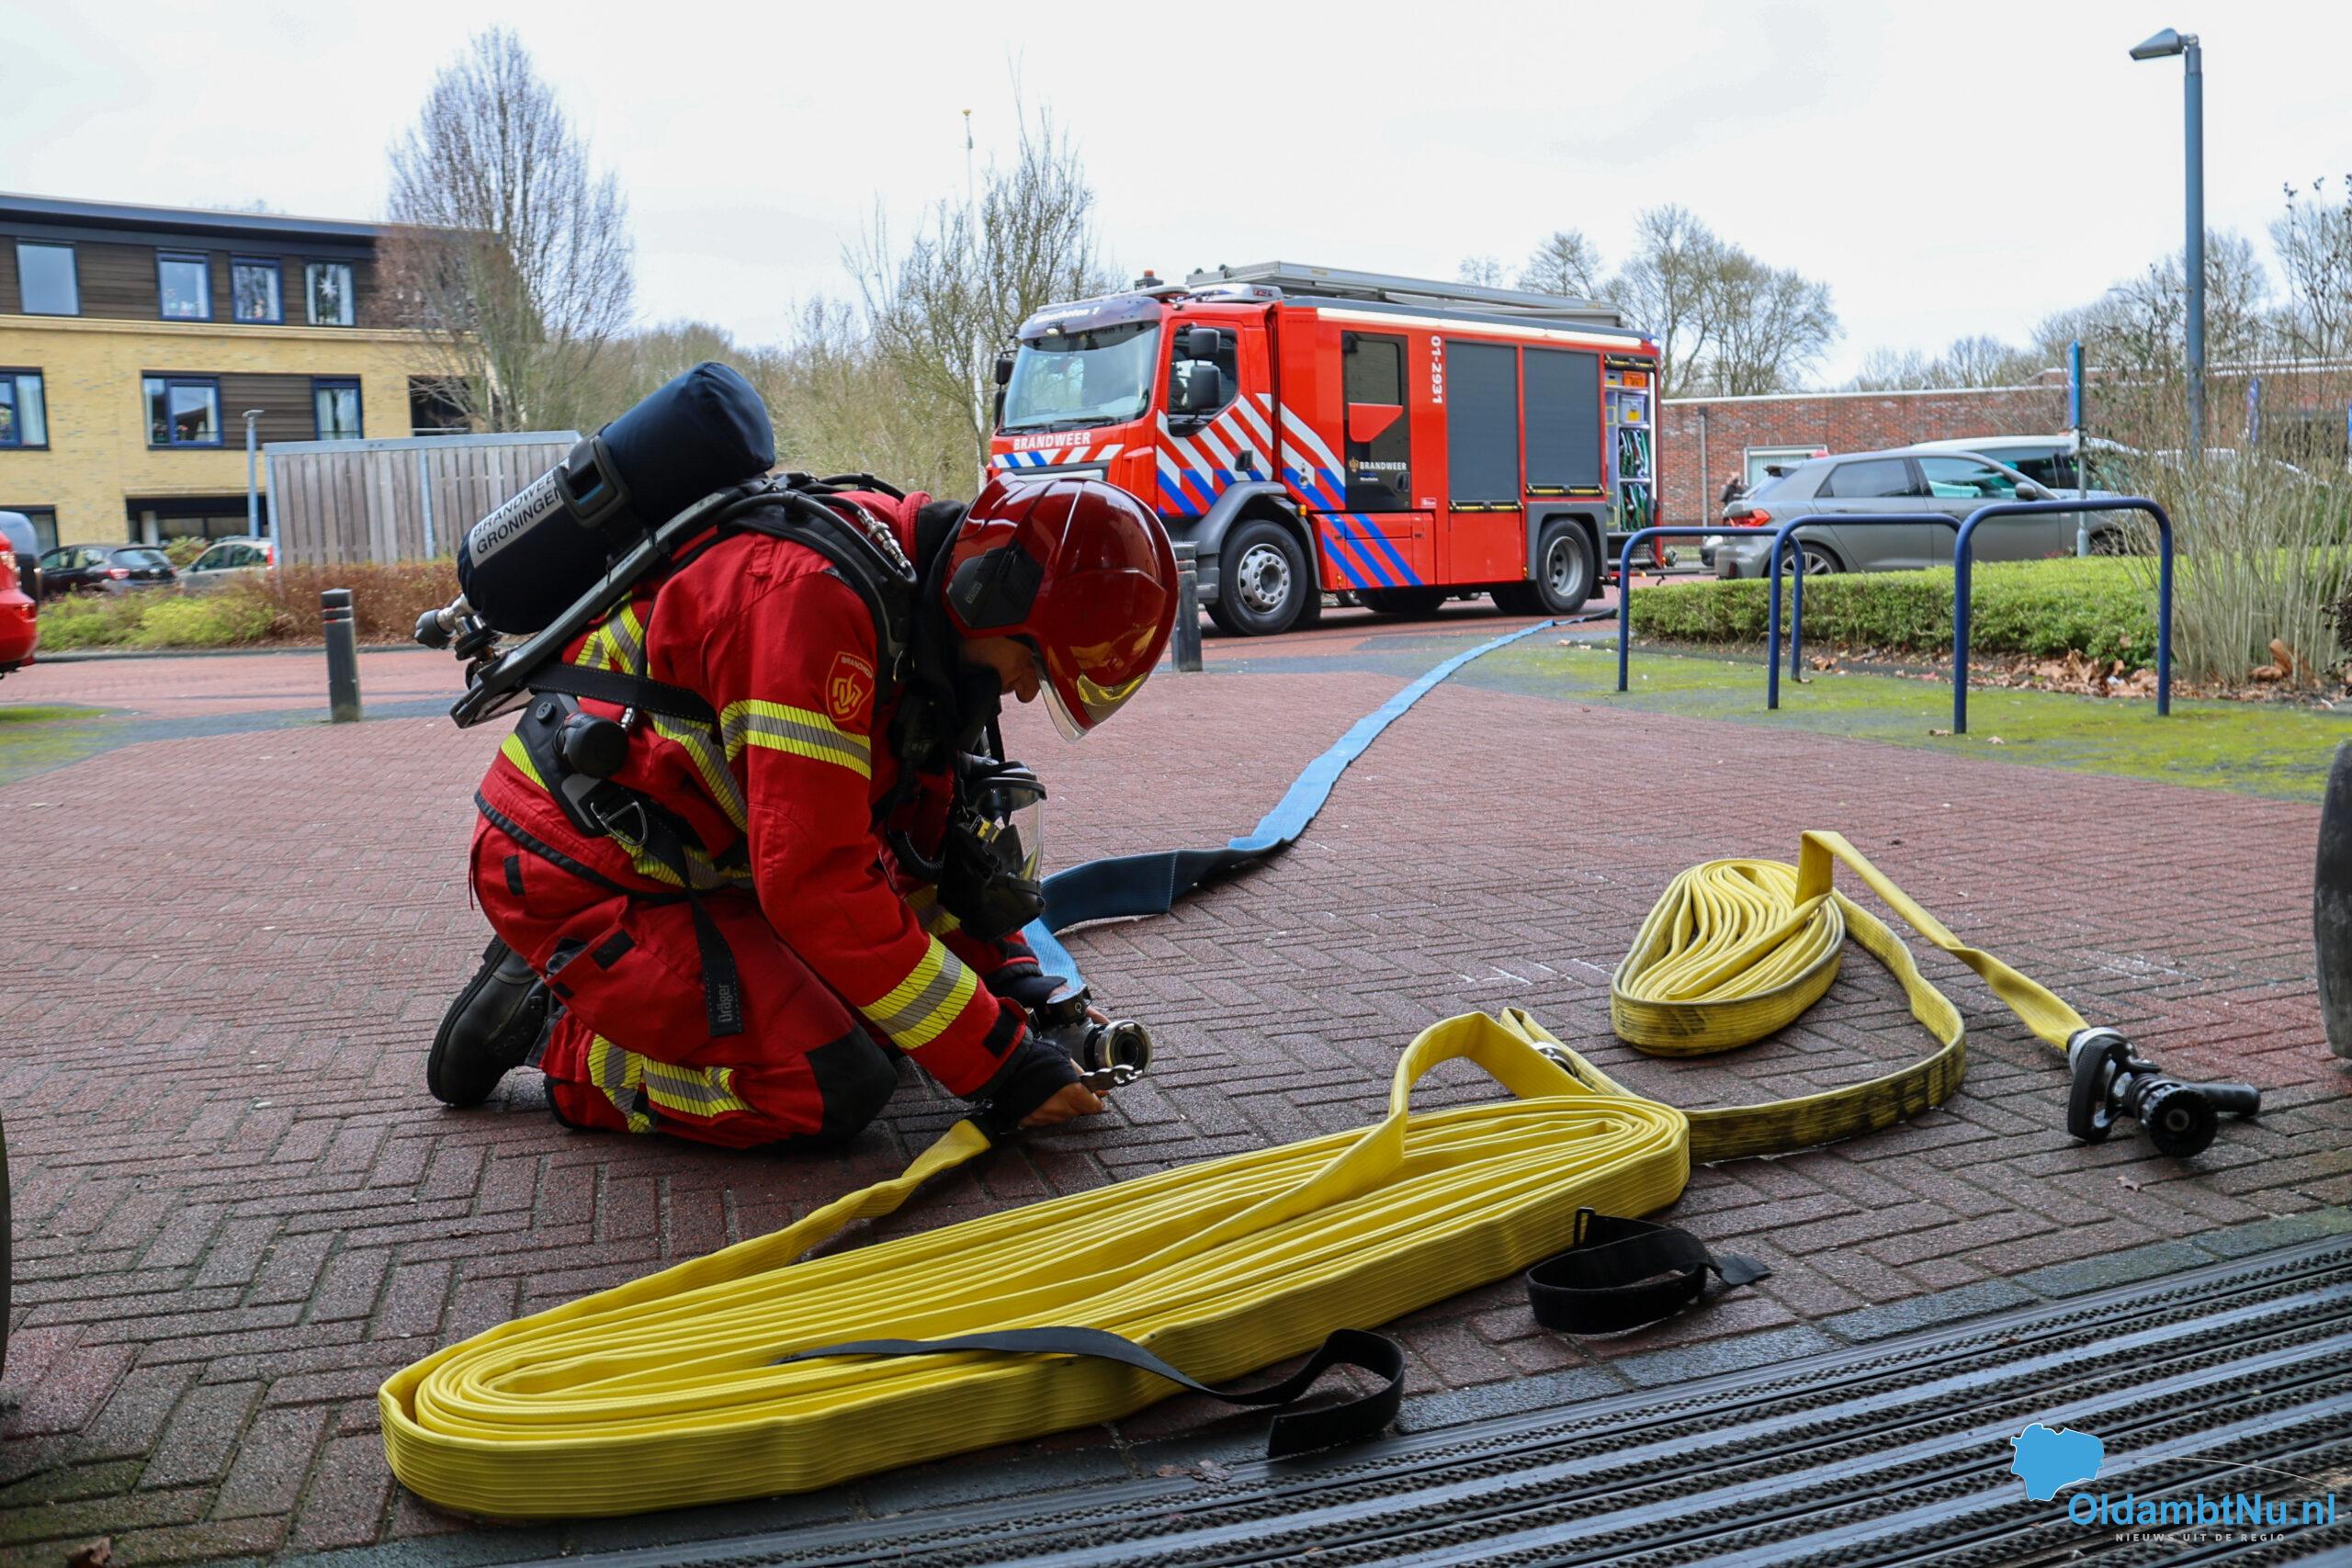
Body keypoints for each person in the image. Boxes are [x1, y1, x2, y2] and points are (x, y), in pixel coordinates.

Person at [427, 473, 1180, 1148]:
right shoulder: (815, 609)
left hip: (703, 859)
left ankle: (616, 989)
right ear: (996, 592)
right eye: (1034, 664)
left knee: (894, 1014)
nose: (1020, 691)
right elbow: (818, 885)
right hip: (584, 868)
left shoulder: (923, 608)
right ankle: (561, 1037)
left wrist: (1016, 983)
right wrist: (1004, 1064)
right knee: (830, 1081)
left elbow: (922, 849)